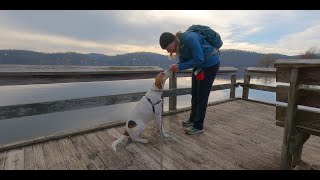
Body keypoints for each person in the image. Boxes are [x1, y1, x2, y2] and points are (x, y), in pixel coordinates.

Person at [159, 29, 221, 135]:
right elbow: (185, 60)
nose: (169, 52)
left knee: (202, 95)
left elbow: (199, 59)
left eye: (168, 49)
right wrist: (177, 65)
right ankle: (192, 119)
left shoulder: (190, 38)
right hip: (199, 66)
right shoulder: (180, 46)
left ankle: (198, 126)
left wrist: (179, 67)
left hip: (210, 64)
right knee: (195, 93)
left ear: (172, 42)